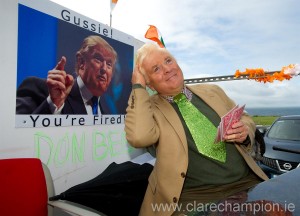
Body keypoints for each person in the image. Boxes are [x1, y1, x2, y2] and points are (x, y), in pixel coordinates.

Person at [124, 43, 269, 215]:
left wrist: (245, 130)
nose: (167, 69)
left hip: (246, 184)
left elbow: (245, 117)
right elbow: (139, 137)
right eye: (156, 69)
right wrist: (138, 87)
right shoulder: (149, 111)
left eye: (168, 61)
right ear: (150, 84)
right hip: (194, 198)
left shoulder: (213, 91)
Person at [16, 35, 118, 115]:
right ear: (81, 62)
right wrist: (53, 103)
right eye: (98, 59)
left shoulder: (107, 110)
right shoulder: (41, 90)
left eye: (109, 64)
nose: (104, 69)